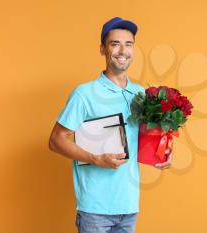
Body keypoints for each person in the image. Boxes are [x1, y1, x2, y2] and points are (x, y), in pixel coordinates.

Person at [48, 17, 173, 233]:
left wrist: (162, 154)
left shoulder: (140, 94)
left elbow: (140, 141)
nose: (122, 50)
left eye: (128, 44)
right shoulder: (84, 93)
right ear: (102, 49)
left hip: (129, 204)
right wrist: (95, 159)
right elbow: (55, 141)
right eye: (114, 44)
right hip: (95, 208)